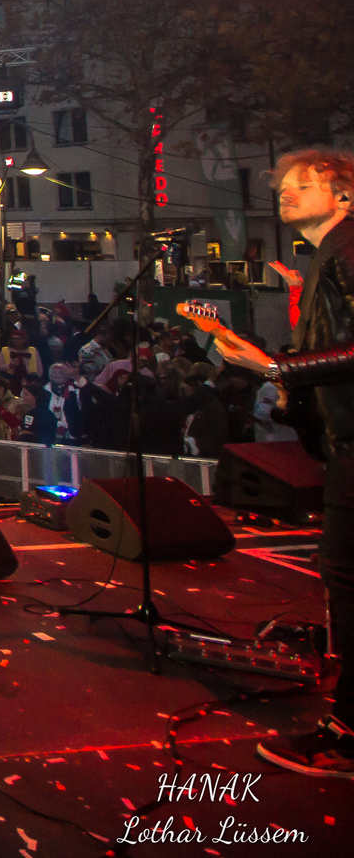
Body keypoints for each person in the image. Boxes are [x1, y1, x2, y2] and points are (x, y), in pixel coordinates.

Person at [207, 150, 354, 778]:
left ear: (343, 194)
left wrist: (273, 367)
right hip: (344, 442)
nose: (285, 193)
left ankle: (348, 736)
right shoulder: (328, 255)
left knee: (346, 575)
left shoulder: (347, 249)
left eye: (302, 184)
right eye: (283, 186)